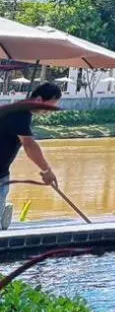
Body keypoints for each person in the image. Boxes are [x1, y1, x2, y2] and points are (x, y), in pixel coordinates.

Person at [1, 81, 63, 230]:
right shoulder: (19, 113)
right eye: (50, 106)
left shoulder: (20, 111)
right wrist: (47, 171)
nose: (49, 111)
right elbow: (29, 146)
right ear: (39, 100)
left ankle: (3, 212)